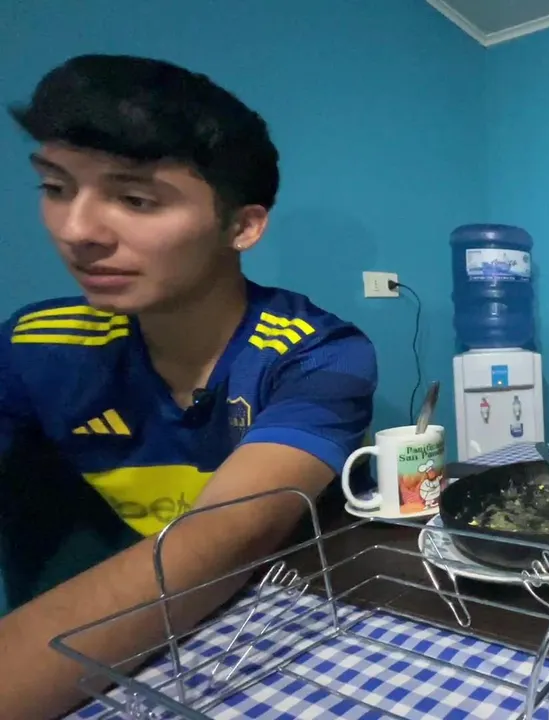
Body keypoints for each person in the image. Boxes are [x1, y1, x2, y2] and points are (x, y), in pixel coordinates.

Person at [0, 54, 377, 718]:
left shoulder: (316, 353)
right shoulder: (33, 345)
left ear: (243, 226)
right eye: (55, 188)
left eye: (135, 199)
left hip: (267, 647)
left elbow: (226, 537)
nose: (77, 231)